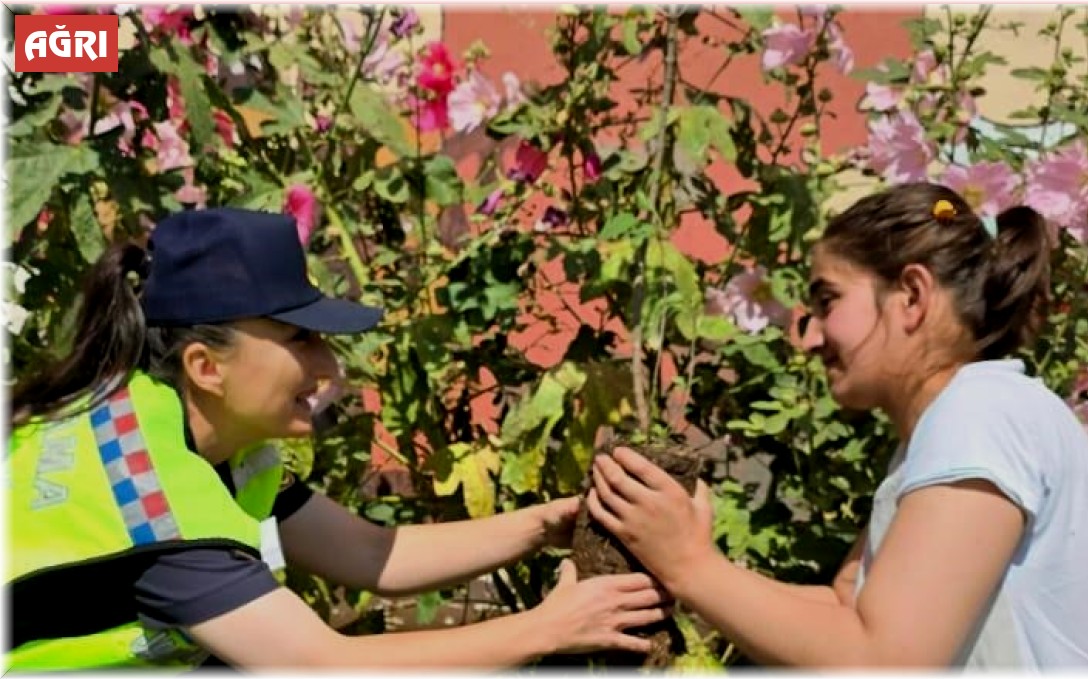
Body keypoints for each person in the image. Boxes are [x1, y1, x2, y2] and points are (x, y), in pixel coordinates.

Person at [6, 207, 669, 670]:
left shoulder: (176, 425)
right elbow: (325, 664)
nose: (329, 368)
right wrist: (549, 629)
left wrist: (543, 524)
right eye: (301, 340)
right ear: (206, 366)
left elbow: (370, 551)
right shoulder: (162, 516)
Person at [585, 182, 1088, 670]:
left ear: (912, 296)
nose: (811, 335)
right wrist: (684, 564)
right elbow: (845, 607)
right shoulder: (950, 425)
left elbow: (885, 660)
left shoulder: (979, 416)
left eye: (828, 301)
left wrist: (691, 564)